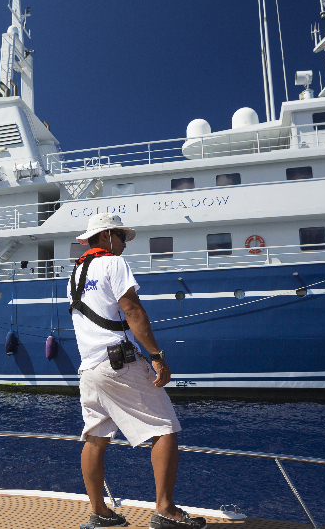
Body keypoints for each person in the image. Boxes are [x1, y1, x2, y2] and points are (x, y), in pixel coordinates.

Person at [67, 213, 206, 529]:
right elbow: (132, 310)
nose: (125, 244)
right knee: (165, 427)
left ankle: (100, 513)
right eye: (122, 237)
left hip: (88, 369)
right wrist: (156, 356)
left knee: (95, 438)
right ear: (106, 236)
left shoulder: (75, 275)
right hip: (119, 362)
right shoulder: (113, 263)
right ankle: (165, 510)